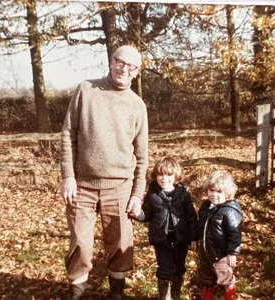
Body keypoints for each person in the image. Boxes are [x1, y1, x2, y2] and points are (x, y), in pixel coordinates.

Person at [59, 45, 148, 300]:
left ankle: (116, 294)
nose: (125, 69)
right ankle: (76, 292)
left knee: (120, 245)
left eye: (132, 67)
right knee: (80, 245)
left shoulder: (137, 106)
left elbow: (142, 157)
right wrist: (68, 176)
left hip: (120, 186)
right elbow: (67, 134)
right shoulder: (86, 90)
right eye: (121, 62)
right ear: (111, 62)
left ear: (137, 72)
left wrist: (137, 195)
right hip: (82, 185)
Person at [131, 157, 198, 300]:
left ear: (176, 177)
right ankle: (164, 296)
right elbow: (146, 214)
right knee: (165, 269)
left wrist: (193, 237)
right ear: (155, 176)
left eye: (168, 175)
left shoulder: (184, 195)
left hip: (181, 239)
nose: (164, 178)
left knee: (179, 269)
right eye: (160, 175)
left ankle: (175, 295)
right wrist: (137, 214)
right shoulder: (153, 194)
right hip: (161, 239)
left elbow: (191, 217)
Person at [197, 170, 243, 300]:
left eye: (219, 192)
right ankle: (208, 293)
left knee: (224, 275)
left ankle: (230, 293)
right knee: (206, 274)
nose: (214, 194)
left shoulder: (229, 210)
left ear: (227, 193)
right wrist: (195, 238)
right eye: (211, 190)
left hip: (221, 253)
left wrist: (232, 253)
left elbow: (234, 234)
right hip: (206, 250)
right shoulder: (206, 206)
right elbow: (200, 225)